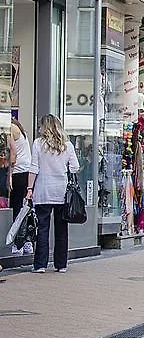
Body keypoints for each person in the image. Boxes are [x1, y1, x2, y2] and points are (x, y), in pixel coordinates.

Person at [26, 115, 80, 273]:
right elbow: (75, 167)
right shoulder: (67, 145)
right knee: (61, 229)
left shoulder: (38, 144)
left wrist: (30, 188)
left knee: (42, 229)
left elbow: (34, 168)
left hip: (43, 191)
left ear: (43, 127)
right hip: (61, 192)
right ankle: (61, 264)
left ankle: (40, 265)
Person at [9, 118, 31, 220]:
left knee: (15, 206)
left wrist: (9, 175)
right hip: (25, 169)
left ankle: (16, 232)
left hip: (18, 170)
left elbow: (13, 153)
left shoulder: (10, 128)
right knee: (19, 204)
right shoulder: (17, 127)